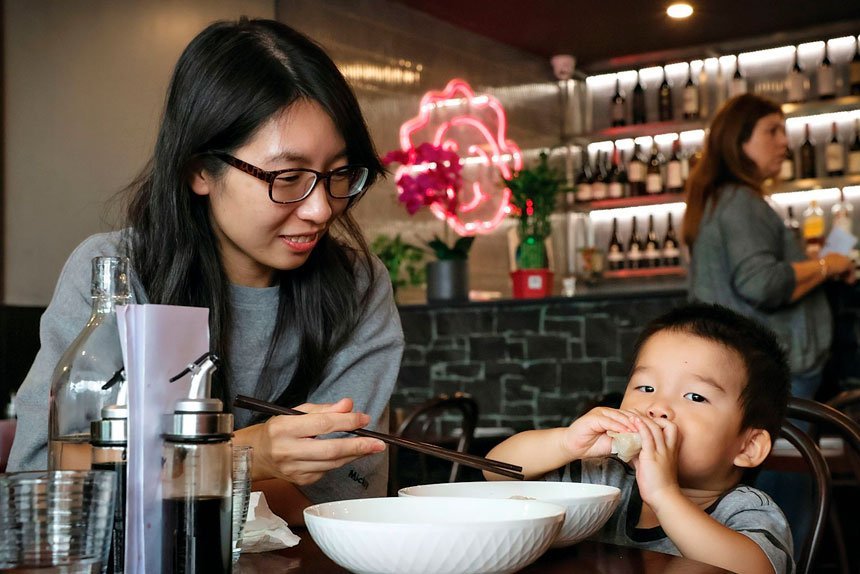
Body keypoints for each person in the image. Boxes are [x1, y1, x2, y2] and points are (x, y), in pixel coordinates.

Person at [7, 18, 404, 524]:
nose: (321, 210)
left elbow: (343, 501)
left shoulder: (357, 285)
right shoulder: (114, 276)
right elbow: (48, 485)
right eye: (288, 177)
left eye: (339, 174)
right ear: (199, 168)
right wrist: (248, 455)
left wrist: (157, 475)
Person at [485, 304, 794, 574]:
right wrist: (565, 443)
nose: (657, 407)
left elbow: (755, 569)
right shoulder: (603, 477)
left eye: (695, 396)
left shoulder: (746, 511)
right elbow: (495, 470)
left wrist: (663, 494)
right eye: (646, 388)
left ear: (747, 447)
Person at [681, 93, 854, 551]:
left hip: (750, 369)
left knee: (754, 492)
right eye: (772, 131)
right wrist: (828, 266)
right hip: (774, 371)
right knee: (780, 499)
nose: (785, 142)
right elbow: (761, 283)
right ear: (739, 143)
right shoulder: (741, 201)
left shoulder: (724, 200)